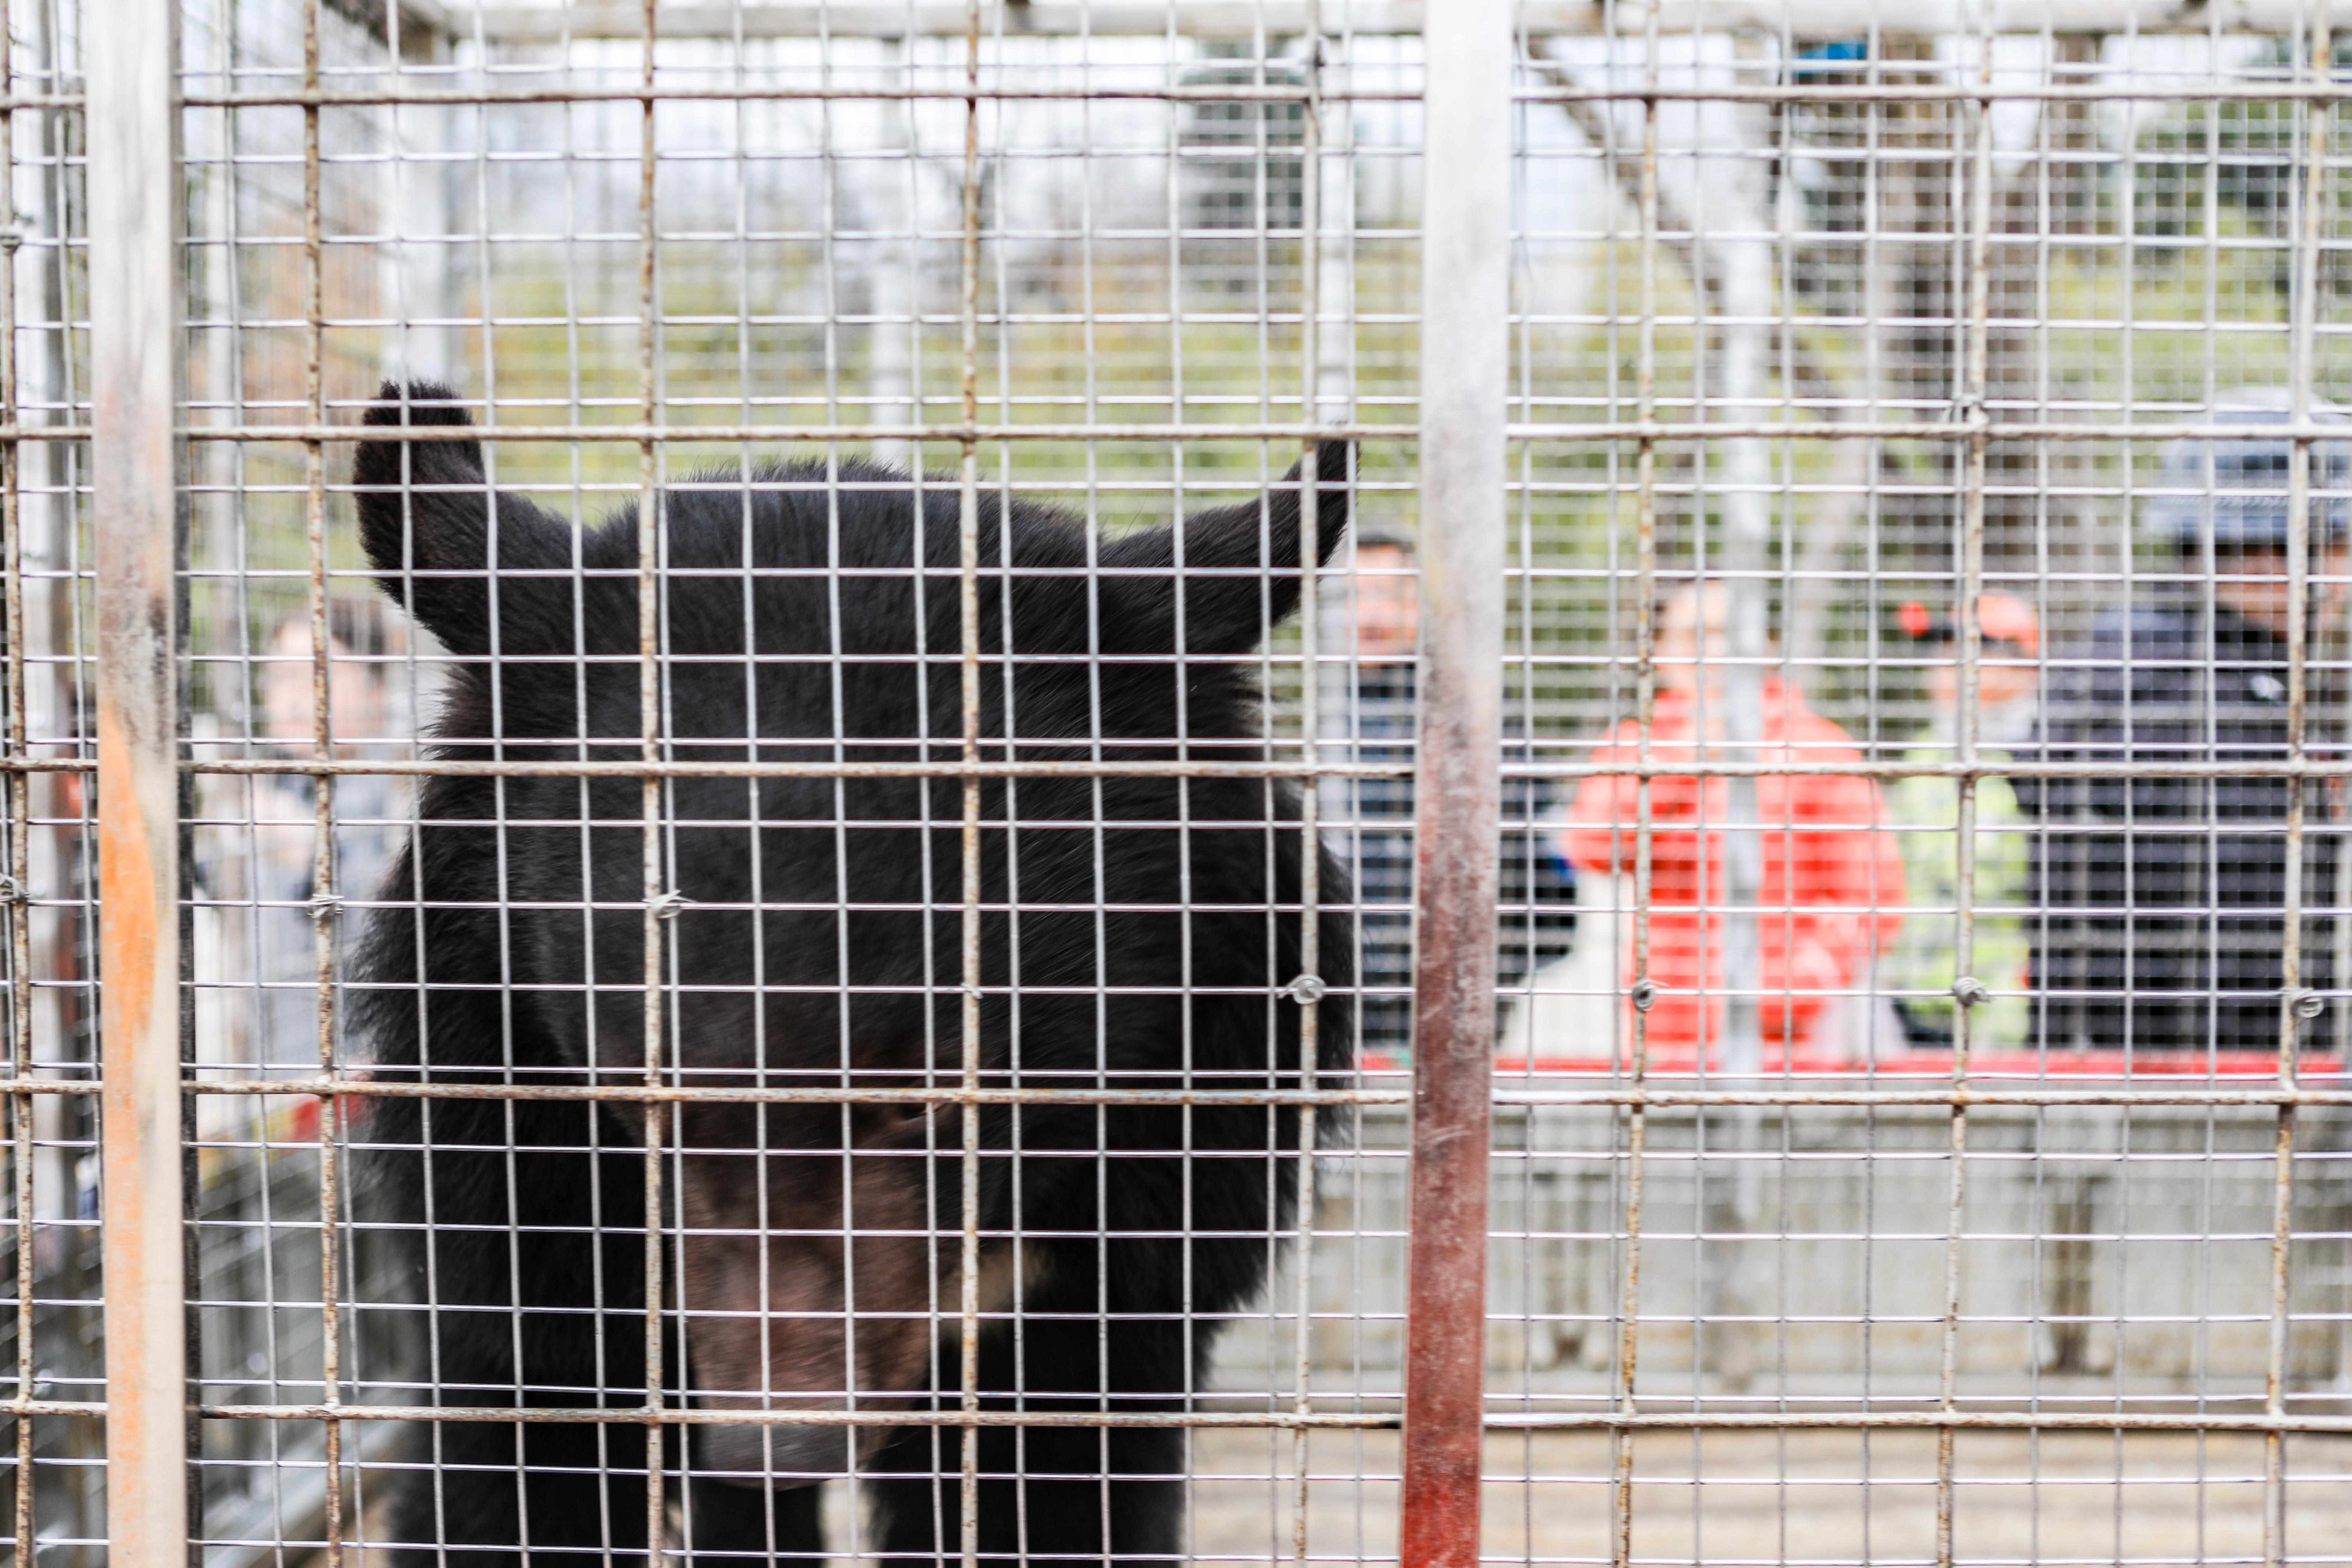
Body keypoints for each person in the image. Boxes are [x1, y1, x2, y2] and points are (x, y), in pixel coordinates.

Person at [2013, 391, 2350, 1053]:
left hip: (2107, 1079)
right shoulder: (2190, 693)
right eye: (2340, 546)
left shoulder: (2140, 658)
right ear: (2269, 555)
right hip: (2202, 1091)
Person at [1558, 582, 1903, 1056]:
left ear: (1767, 647)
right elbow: (1590, 846)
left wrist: (1793, 988)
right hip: (1664, 1027)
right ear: (1658, 652)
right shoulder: (1638, 744)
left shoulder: (1818, 746)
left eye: (1730, 634)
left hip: (1790, 1040)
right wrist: (1682, 760)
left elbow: (1872, 896)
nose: (1714, 652)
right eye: (1694, 636)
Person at [1323, 524, 1579, 1061]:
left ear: (1418, 604)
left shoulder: (1468, 706)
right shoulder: (1321, 708)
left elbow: (1528, 848)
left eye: (1389, 595)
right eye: (1354, 596)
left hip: (1448, 985)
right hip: (1340, 984)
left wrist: (1497, 969)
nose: (1371, 615)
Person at [1881, 594, 2041, 1049]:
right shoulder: (1925, 755)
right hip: (1915, 1001)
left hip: (2007, 1012)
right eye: (1941, 650)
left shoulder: (2044, 757)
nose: (1944, 664)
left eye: (1968, 650)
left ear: (2021, 663)